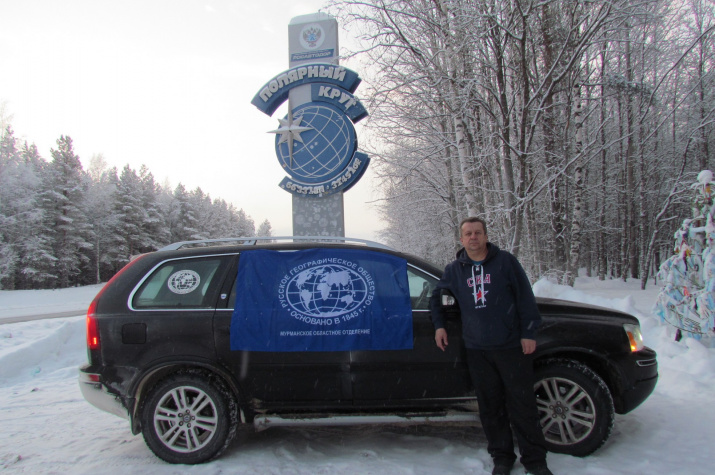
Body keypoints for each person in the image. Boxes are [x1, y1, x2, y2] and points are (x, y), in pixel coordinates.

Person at [429, 217, 552, 475]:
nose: (473, 237)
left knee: (522, 405)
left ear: (485, 236)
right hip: (477, 350)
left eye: (477, 233)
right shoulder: (455, 270)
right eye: (468, 234)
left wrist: (528, 332)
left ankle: (535, 461)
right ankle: (502, 457)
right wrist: (439, 325)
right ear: (461, 239)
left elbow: (525, 298)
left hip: (510, 347)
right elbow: (436, 298)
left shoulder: (505, 262)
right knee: (490, 407)